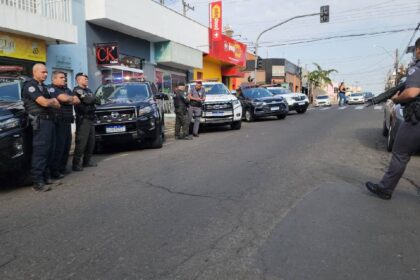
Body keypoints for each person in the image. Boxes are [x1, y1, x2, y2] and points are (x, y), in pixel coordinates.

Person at [366, 37, 420, 200]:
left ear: (418, 50)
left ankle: (385, 189)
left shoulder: (416, 68)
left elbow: (411, 93)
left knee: (400, 153)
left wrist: (396, 99)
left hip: (416, 119)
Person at [21, 63, 61, 192]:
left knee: (50, 150)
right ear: (35, 72)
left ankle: (46, 177)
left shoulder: (43, 87)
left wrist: (51, 102)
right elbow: (44, 102)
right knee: (41, 152)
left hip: (49, 121)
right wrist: (51, 102)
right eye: (43, 72)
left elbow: (58, 105)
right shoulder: (30, 86)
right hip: (40, 122)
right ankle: (37, 182)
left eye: (46, 72)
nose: (46, 74)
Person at [49, 71, 80, 179]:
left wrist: (68, 99)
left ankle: (62, 167)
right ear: (54, 79)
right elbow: (64, 99)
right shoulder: (52, 89)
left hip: (67, 121)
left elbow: (77, 100)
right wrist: (69, 99)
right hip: (59, 122)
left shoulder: (66, 89)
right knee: (59, 147)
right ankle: (55, 170)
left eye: (64, 77)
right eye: (61, 77)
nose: (64, 79)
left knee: (67, 146)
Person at [72, 73, 98, 171]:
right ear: (78, 80)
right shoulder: (76, 90)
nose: (87, 80)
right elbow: (88, 100)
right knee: (81, 142)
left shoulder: (89, 90)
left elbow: (97, 100)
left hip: (91, 118)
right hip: (83, 119)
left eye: (87, 78)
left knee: (91, 142)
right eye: (85, 79)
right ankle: (76, 164)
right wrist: (91, 99)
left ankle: (87, 161)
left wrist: (92, 99)